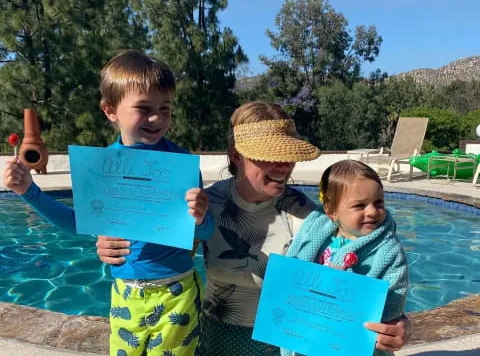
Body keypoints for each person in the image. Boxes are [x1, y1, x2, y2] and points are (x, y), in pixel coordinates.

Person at [97, 101, 411, 355]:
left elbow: (362, 272)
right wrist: (113, 248)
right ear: (236, 155)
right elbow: (166, 260)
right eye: (269, 156)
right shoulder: (207, 204)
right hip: (215, 341)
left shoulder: (311, 219)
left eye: (287, 156)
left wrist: (396, 324)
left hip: (283, 344)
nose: (283, 166)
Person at [3, 50, 214, 356]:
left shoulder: (181, 165)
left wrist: (201, 218)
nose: (156, 118)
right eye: (144, 108)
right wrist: (29, 192)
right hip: (125, 293)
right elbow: (80, 223)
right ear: (110, 110)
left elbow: (205, 235)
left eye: (165, 109)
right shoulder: (103, 168)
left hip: (176, 291)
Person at [283, 159, 408, 356]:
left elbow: (395, 295)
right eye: (360, 205)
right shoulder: (317, 236)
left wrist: (344, 288)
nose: (372, 211)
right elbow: (294, 272)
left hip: (353, 343)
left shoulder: (387, 250)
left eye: (379, 202)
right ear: (331, 212)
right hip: (313, 336)